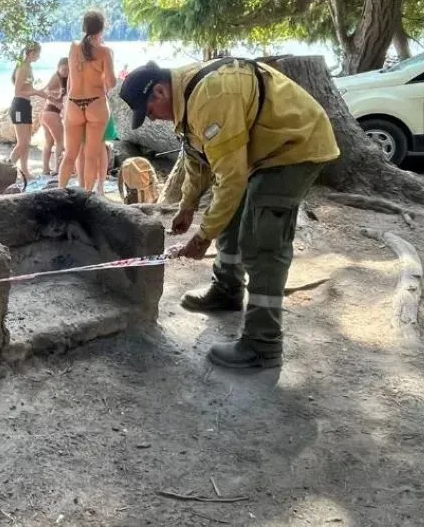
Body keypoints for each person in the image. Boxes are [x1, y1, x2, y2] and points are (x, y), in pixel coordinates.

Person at [119, 57, 340, 369]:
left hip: (294, 147)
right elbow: (198, 159)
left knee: (262, 240)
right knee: (229, 216)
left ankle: (263, 345)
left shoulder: (210, 97)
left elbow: (232, 178)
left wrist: (202, 236)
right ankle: (227, 291)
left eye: (150, 111)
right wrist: (188, 205)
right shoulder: (187, 97)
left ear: (159, 91)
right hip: (261, 152)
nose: (153, 120)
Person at [59, 11, 116, 192]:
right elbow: (112, 82)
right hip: (96, 103)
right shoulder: (105, 51)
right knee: (91, 156)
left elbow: (71, 78)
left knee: (70, 154)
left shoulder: (73, 47)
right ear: (102, 27)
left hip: (74, 102)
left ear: (85, 27)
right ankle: (87, 197)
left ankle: (60, 192)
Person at [8, 43, 45, 179]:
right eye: (37, 54)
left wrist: (38, 90)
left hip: (26, 105)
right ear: (30, 53)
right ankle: (7, 167)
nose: (39, 57)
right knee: (22, 143)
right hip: (19, 106)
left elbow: (27, 87)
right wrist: (37, 92)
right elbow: (18, 91)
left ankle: (25, 171)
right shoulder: (23, 67)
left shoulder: (29, 67)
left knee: (26, 141)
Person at [40, 57, 69, 175]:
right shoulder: (56, 77)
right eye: (63, 70)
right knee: (60, 143)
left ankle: (45, 169)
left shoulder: (65, 79)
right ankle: (58, 170)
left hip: (46, 114)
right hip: (51, 113)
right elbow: (44, 92)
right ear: (58, 68)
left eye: (68, 70)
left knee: (49, 143)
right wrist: (57, 102)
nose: (66, 72)